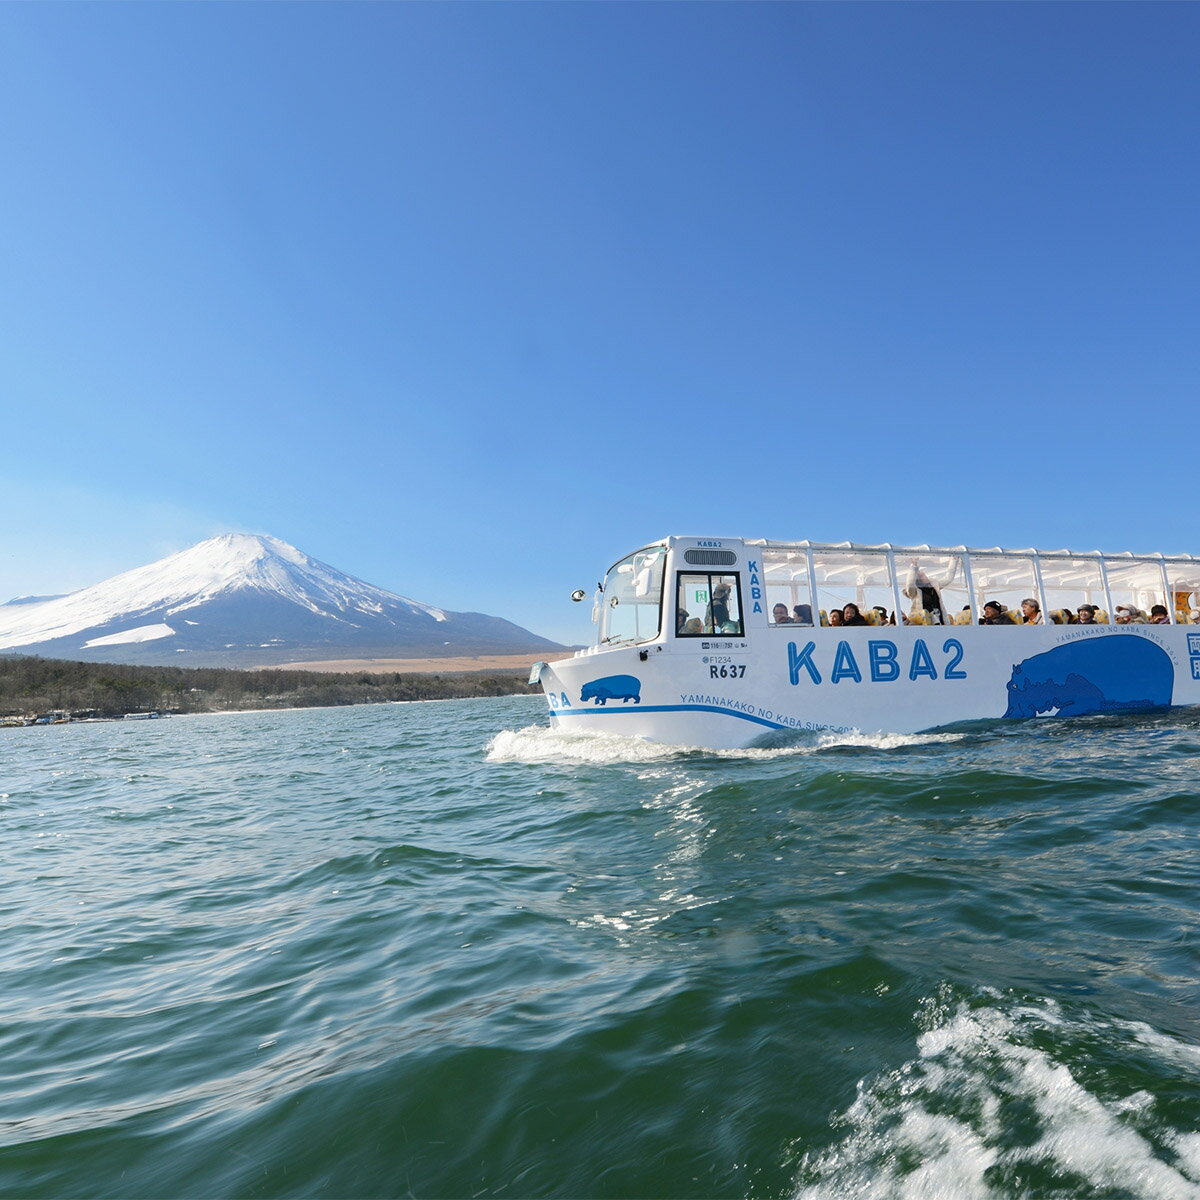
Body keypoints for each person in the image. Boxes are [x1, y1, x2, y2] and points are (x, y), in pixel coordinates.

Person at [903, 558, 956, 625]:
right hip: (923, 624)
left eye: (922, 573)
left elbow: (948, 579)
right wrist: (914, 566)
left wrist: (954, 560)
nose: (922, 573)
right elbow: (910, 584)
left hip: (939, 620)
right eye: (919, 574)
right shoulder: (915, 592)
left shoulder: (934, 585)